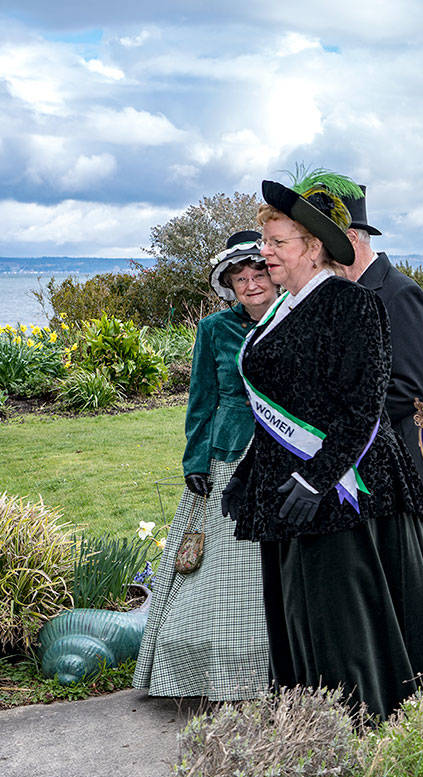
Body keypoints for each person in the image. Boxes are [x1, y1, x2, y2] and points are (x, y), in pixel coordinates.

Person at [221, 169, 423, 720]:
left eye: (278, 243)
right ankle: (308, 731)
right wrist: (249, 474)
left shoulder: (351, 304)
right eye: (265, 242)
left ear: (314, 247)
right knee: (298, 620)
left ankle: (362, 729)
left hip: (342, 496)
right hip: (289, 494)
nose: (266, 254)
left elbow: (364, 405)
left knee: (338, 623)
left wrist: (315, 477)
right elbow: (279, 405)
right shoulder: (282, 308)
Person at [133, 231, 274, 702]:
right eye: (240, 277)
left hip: (284, 455)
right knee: (219, 568)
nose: (251, 283)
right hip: (229, 454)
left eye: (259, 272)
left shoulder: (294, 316)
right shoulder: (214, 329)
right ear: (229, 284)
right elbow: (202, 399)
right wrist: (196, 459)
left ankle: (277, 663)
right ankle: (208, 667)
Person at [334, 185, 423, 490]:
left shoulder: (400, 292)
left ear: (350, 238)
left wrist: (346, 424)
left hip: (393, 453)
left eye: (324, 242)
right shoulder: (341, 293)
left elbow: (412, 387)